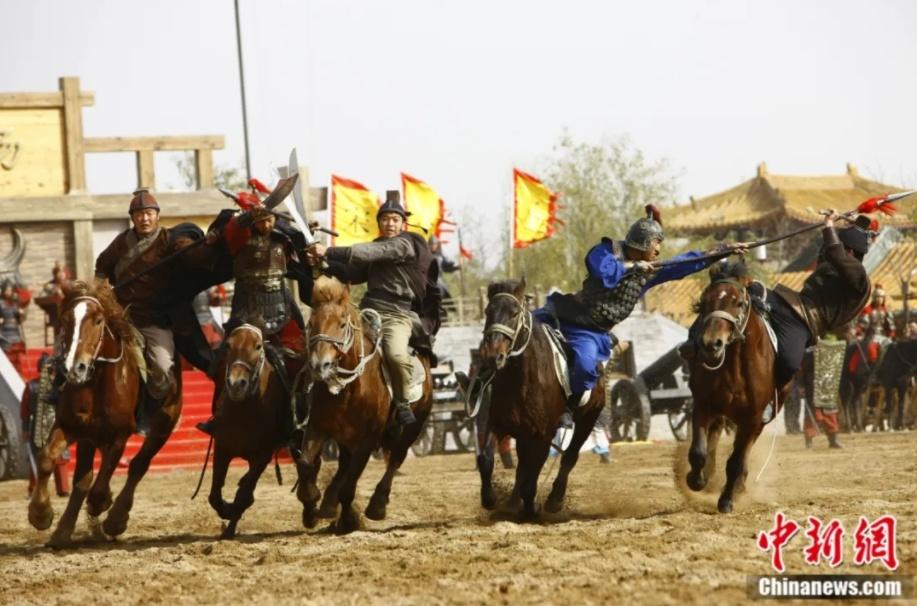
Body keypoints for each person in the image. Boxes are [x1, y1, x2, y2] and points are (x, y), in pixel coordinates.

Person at [534, 205, 737, 425]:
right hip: (564, 315)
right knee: (517, 329)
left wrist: (722, 251)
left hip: (589, 332)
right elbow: (603, 274)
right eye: (656, 243)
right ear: (643, 242)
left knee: (584, 368)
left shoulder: (648, 272)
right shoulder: (606, 251)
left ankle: (565, 410)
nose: (658, 250)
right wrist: (632, 267)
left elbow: (682, 263)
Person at [307, 192, 438, 426]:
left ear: (403, 223)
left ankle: (402, 402)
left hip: (397, 316)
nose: (390, 223)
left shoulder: (404, 244)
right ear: (379, 223)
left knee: (396, 355)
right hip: (368, 311)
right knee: (331, 341)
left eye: (395, 219)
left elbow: (369, 252)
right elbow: (351, 273)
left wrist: (328, 251)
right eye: (385, 219)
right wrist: (323, 263)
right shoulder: (377, 247)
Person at [95, 189, 216, 432]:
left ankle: (151, 411)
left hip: (153, 319)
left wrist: (205, 246)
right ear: (132, 218)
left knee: (161, 367)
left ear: (157, 215)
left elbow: (190, 253)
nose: (145, 219)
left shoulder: (169, 240)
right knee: (83, 348)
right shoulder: (121, 242)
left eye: (149, 213)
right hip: (120, 316)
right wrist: (101, 289)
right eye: (139, 214)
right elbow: (102, 266)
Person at [20, 354, 70, 497]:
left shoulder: (59, 386)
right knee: (38, 457)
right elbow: (25, 410)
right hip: (39, 426)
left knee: (59, 456)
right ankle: (35, 488)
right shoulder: (32, 387)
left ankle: (62, 489)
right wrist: (25, 429)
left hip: (56, 424)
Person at [0, 278, 29, 375]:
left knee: (17, 358)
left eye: (10, 290)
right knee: (8, 358)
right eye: (7, 290)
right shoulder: (0, 302)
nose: (9, 292)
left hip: (15, 333)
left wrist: (21, 314)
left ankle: (18, 376)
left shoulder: (15, 303)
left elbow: (20, 321)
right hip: (5, 333)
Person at [429, 235, 460, 302]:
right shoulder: (425, 255)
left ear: (437, 245)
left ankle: (446, 304)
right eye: (431, 244)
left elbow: (446, 268)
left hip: (438, 279)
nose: (433, 246)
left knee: (443, 290)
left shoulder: (441, 256)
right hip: (427, 279)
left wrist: (456, 267)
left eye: (434, 244)